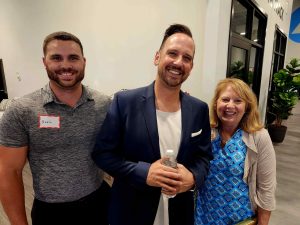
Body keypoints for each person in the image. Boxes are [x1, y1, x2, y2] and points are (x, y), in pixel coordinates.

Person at [92, 24, 213, 225]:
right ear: (157, 57)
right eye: (172, 53)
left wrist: (192, 177)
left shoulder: (199, 109)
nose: (178, 62)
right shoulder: (124, 102)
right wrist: (143, 172)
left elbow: (204, 157)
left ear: (191, 66)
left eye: (187, 58)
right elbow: (102, 154)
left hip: (179, 214)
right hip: (131, 213)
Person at [0, 31, 111, 225]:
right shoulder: (22, 111)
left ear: (84, 61)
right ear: (44, 62)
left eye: (73, 58)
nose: (66, 65)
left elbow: (115, 153)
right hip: (51, 212)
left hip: (99, 202)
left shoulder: (103, 104)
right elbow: (9, 172)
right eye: (56, 58)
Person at [195, 78, 276, 225]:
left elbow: (266, 188)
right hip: (203, 217)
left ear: (247, 107)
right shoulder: (207, 132)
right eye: (225, 99)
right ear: (216, 104)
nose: (230, 105)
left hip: (240, 219)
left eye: (238, 101)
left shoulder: (259, 137)